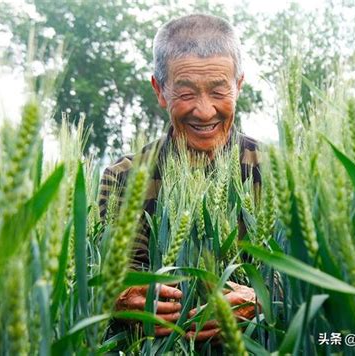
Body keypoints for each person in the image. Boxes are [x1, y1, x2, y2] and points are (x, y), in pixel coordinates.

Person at [98, 13, 262, 343]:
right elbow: (116, 275)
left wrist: (264, 302)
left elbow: (309, 278)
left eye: (219, 91)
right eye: (186, 93)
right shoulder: (125, 179)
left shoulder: (278, 174)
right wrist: (125, 298)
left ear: (238, 85)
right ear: (159, 90)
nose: (204, 111)